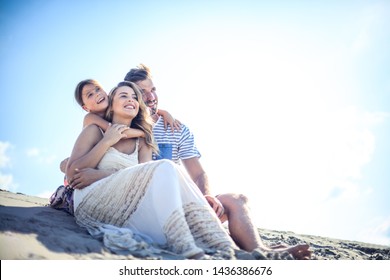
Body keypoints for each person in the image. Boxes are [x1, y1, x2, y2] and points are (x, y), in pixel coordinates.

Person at [123, 64, 312, 260]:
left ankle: (261, 251)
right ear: (132, 96)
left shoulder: (177, 129)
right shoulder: (124, 125)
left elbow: (198, 173)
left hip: (184, 205)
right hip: (149, 212)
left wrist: (206, 196)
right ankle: (256, 249)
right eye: (143, 92)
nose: (151, 96)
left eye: (153, 89)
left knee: (236, 199)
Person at [65, 81, 238, 259]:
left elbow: (143, 182)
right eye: (123, 96)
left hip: (125, 204)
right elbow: (72, 173)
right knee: (166, 166)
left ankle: (220, 242)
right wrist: (106, 141)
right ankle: (185, 245)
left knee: (170, 176)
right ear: (112, 103)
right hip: (91, 200)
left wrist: (100, 175)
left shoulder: (143, 142)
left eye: (134, 97)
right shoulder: (94, 129)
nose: (131, 100)